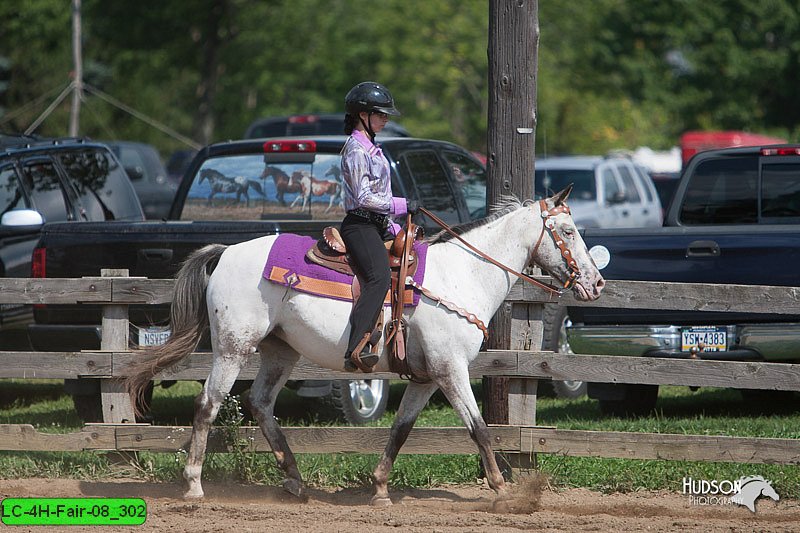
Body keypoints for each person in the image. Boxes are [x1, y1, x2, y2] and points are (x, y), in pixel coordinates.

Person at [339, 81, 420, 372]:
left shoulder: (374, 148)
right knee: (379, 276)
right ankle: (356, 347)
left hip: (378, 222)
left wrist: (395, 227)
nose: (386, 119)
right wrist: (400, 205)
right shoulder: (355, 150)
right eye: (381, 114)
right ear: (363, 115)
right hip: (360, 225)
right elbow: (363, 197)